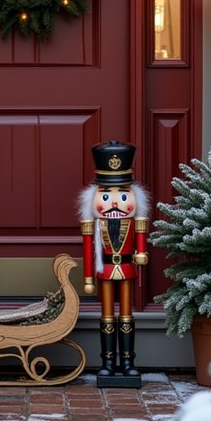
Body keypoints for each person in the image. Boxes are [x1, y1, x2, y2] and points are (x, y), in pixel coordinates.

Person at [78, 141, 149, 385]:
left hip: (127, 268)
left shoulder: (135, 221)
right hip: (105, 270)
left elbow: (141, 244)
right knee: (107, 315)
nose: (115, 202)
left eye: (122, 195)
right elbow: (88, 249)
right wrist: (88, 278)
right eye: (106, 196)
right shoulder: (93, 224)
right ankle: (108, 362)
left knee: (127, 315)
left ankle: (128, 362)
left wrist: (141, 254)